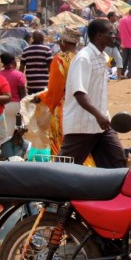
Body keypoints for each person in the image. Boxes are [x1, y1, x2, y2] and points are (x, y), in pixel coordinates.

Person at [60, 19, 125, 167]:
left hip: (101, 125)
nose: (114, 36)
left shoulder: (102, 57)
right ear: (99, 36)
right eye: (110, 33)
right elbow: (79, 92)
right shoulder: (84, 58)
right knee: (64, 168)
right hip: (82, 125)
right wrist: (98, 115)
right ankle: (46, 190)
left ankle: (108, 190)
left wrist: (102, 116)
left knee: (117, 162)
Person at [35, 27, 96, 165]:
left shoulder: (60, 60)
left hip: (65, 107)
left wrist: (42, 98)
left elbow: (55, 90)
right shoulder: (86, 57)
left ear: (63, 42)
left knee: (64, 147)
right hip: (87, 107)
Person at [0, 53, 26, 134]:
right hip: (16, 106)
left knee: (5, 131)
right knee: (16, 130)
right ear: (13, 61)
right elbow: (22, 94)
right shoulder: (19, 75)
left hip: (3, 105)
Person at [19, 30, 53, 95]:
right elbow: (51, 68)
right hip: (44, 84)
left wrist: (21, 83)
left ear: (33, 39)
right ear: (42, 39)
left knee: (32, 103)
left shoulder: (26, 50)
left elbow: (21, 69)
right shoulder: (47, 50)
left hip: (31, 84)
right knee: (43, 104)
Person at [105, 11, 123, 79]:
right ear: (111, 17)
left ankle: (119, 76)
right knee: (106, 61)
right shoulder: (108, 25)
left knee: (119, 58)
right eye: (115, 16)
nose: (116, 17)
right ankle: (105, 77)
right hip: (108, 45)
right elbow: (111, 37)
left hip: (113, 45)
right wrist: (119, 44)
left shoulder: (113, 25)